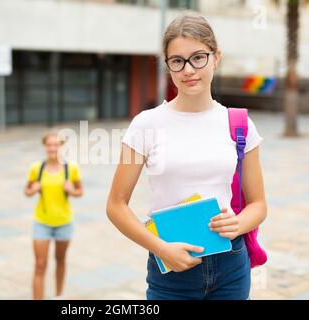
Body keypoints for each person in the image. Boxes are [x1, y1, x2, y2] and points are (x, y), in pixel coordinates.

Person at [106, 12, 267, 300]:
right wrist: (160, 248)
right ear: (168, 66)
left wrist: (238, 224)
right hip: (171, 270)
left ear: (216, 57)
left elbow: (258, 205)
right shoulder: (145, 124)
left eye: (198, 57)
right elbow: (116, 205)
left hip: (231, 264)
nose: (188, 70)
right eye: (177, 61)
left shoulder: (241, 124)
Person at [25, 131, 83, 300]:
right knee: (40, 264)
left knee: (60, 260)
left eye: (55, 145)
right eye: (49, 145)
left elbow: (80, 191)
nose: (52, 148)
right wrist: (32, 189)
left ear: (60, 147)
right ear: (45, 146)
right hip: (42, 222)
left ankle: (59, 296)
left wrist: (71, 190)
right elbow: (27, 190)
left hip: (64, 223)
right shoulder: (37, 168)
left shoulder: (70, 168)